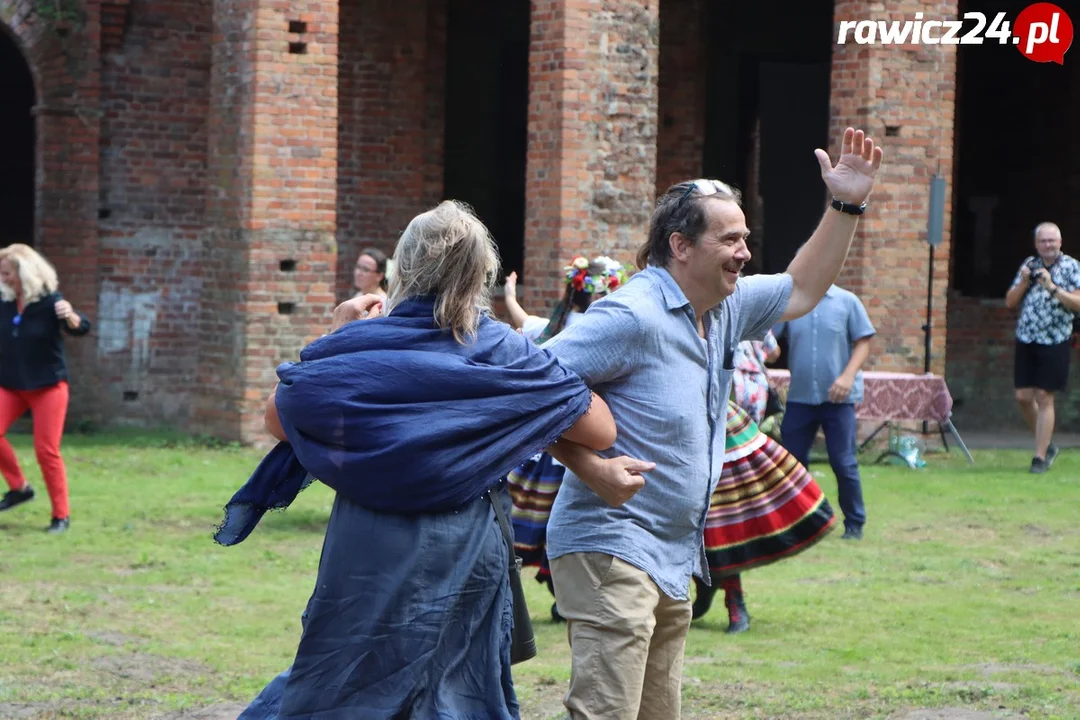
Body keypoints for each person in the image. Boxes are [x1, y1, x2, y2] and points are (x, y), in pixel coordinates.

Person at [219, 201, 617, 719]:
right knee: (456, 685)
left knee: (343, 676)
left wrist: (336, 338)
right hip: (465, 539)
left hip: (369, 540)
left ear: (401, 270)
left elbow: (282, 415)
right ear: (481, 275)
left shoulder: (359, 345)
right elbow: (600, 426)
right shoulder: (502, 348)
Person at [540, 127, 883, 719]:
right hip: (610, 546)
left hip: (672, 555)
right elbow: (527, 388)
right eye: (730, 239)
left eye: (745, 238)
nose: (745, 252)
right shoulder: (633, 314)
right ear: (681, 245)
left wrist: (845, 205)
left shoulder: (721, 307)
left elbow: (802, 287)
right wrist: (589, 466)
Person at [503, 256, 631, 622]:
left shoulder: (560, 327)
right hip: (578, 439)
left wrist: (511, 293)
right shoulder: (590, 327)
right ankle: (563, 592)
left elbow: (522, 321)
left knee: (548, 521)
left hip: (569, 439)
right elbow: (524, 322)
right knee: (560, 521)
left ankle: (563, 592)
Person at [692, 400, 836, 632]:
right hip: (676, 410)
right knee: (691, 511)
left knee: (723, 511)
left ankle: (733, 598)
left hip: (713, 412)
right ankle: (704, 585)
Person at [0, 244, 92, 533]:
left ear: (24, 273)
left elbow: (81, 327)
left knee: (46, 450)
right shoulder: (3, 303)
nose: (3, 278)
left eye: (7, 273)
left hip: (48, 385)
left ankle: (60, 516)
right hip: (11, 384)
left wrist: (71, 316)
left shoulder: (51, 303)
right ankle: (19, 488)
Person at [774, 284, 875, 541]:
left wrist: (848, 376)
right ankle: (800, 523)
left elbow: (864, 341)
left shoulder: (847, 301)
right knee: (792, 464)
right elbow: (769, 342)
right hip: (800, 396)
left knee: (843, 462)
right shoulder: (793, 303)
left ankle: (855, 523)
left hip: (838, 398)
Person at [1004, 222, 1080, 474]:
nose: (1048, 245)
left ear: (1060, 242)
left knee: (1044, 396)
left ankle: (1039, 457)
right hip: (1027, 338)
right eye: (1043, 241)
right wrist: (1025, 282)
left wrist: (1052, 287)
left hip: (1055, 339)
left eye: (1052, 240)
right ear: (1036, 244)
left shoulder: (1071, 267)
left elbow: (1078, 303)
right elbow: (1010, 302)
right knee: (1023, 397)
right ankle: (1046, 442)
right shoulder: (1030, 264)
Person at [731, 329, 781, 425]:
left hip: (728, 382)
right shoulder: (757, 316)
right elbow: (774, 354)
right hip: (754, 386)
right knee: (750, 433)